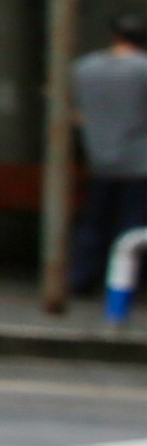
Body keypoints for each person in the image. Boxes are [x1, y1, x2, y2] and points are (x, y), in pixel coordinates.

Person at [85, 15, 147, 302]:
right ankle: (127, 287)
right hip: (140, 163)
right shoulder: (143, 70)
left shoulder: (85, 68)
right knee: (133, 232)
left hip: (99, 159)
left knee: (93, 224)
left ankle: (80, 279)